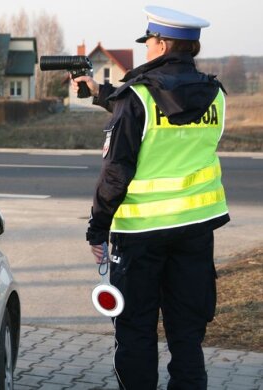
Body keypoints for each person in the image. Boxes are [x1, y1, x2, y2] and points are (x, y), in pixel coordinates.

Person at [74, 6, 229, 390]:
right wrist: (101, 94)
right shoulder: (215, 95)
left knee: (136, 331)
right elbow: (166, 110)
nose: (145, 50)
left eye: (148, 44)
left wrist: (98, 230)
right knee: (187, 333)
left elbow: (116, 173)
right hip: (195, 231)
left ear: (161, 44)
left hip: (140, 235)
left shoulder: (138, 96)